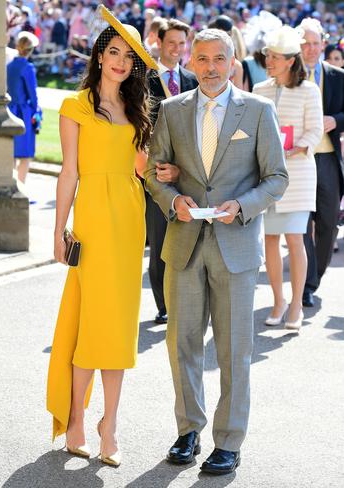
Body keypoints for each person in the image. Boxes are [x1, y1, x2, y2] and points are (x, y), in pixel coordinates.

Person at [144, 28, 288, 475]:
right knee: (181, 343)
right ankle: (188, 432)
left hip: (237, 247)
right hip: (184, 245)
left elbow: (276, 179)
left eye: (219, 59)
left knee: (232, 350)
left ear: (233, 62)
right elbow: (154, 172)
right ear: (191, 61)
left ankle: (228, 441)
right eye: (202, 59)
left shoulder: (259, 112)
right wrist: (173, 200)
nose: (209, 68)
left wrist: (242, 207)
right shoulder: (170, 110)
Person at [47, 6, 158, 466]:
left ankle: (108, 426)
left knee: (117, 326)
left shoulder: (137, 108)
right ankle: (76, 419)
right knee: (91, 322)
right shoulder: (75, 105)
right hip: (92, 216)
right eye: (113, 52)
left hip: (129, 219)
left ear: (134, 66)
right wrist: (59, 229)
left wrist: (155, 164)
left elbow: (141, 171)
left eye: (128, 57)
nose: (119, 62)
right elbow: (68, 172)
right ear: (98, 54)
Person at [253, 26, 323, 331]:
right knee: (269, 238)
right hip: (267, 175)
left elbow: (316, 131)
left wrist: (295, 148)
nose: (269, 61)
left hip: (298, 174)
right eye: (268, 55)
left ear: (291, 61)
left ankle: (296, 304)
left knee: (295, 238)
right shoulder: (259, 90)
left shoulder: (310, 90)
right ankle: (278, 300)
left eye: (276, 57)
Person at [146, 18, 198, 324]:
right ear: (160, 43)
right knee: (160, 239)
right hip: (157, 173)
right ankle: (163, 304)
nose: (177, 49)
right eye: (171, 43)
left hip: (188, 173)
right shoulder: (145, 79)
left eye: (182, 43)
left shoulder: (192, 80)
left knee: (187, 239)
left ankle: (184, 299)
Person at [299, 18, 344, 307]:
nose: (312, 49)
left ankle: (315, 275)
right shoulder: (288, 76)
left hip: (327, 159)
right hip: (298, 160)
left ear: (323, 45)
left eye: (316, 44)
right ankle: (306, 285)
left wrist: (335, 120)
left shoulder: (338, 76)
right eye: (306, 44)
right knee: (301, 223)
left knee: (327, 223)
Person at [7, 31, 40, 183]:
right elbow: (33, 96)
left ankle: (12, 187)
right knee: (25, 154)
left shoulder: (9, 65)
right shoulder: (28, 67)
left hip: (9, 110)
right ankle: (22, 189)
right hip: (24, 113)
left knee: (12, 153)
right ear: (31, 50)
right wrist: (37, 112)